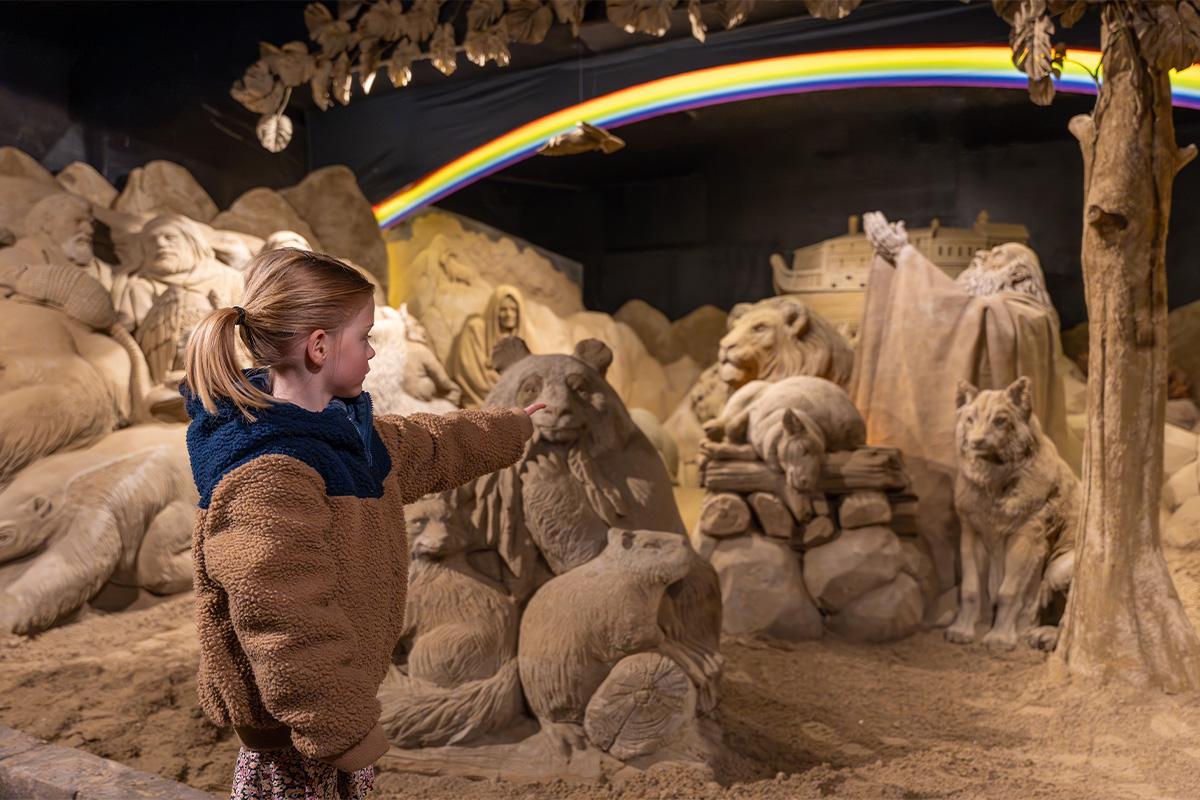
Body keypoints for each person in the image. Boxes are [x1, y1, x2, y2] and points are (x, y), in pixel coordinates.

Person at [181, 248, 540, 800]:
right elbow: (284, 621)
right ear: (320, 346)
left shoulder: (341, 433)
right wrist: (343, 730)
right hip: (297, 738)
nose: (374, 352)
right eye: (366, 337)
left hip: (332, 712)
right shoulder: (270, 471)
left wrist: (511, 426)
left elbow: (432, 445)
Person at [850, 211, 1077, 598]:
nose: (983, 257)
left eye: (998, 256)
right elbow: (958, 308)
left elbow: (964, 311)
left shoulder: (1028, 313)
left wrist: (907, 257)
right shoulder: (1001, 306)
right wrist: (895, 263)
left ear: (1021, 272)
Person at [446, 284, 527, 407]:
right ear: (494, 310)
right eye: (503, 309)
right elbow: (473, 373)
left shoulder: (521, 337)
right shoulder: (475, 329)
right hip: (481, 400)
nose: (509, 315)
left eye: (514, 309)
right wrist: (507, 388)